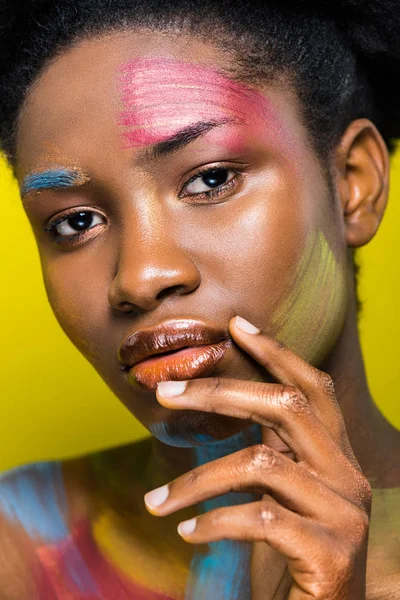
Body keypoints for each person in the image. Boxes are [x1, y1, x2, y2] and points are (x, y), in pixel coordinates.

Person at [0, 0, 399, 598]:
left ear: (352, 184)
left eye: (210, 179)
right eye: (75, 222)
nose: (139, 277)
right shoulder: (18, 548)